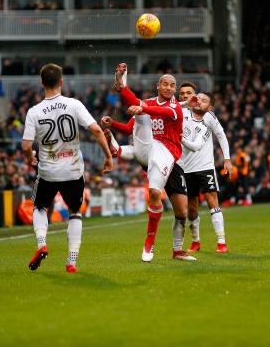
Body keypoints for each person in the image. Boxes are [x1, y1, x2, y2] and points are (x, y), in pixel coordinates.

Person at [22, 63, 113, 274]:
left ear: (42, 83)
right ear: (61, 82)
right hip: (73, 170)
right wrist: (108, 156)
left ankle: (42, 243)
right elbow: (97, 130)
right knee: (74, 213)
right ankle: (71, 262)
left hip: (48, 171)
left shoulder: (34, 111)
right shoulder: (74, 105)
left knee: (40, 207)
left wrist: (30, 156)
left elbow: (26, 145)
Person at [107, 63, 185, 262]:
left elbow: (162, 113)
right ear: (158, 86)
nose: (168, 88)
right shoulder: (147, 103)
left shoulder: (175, 107)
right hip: (146, 147)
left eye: (172, 85)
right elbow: (130, 125)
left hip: (166, 151)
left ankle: (149, 241)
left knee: (154, 193)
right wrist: (115, 122)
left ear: (174, 89)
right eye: (165, 84)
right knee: (141, 115)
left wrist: (141, 107)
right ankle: (121, 82)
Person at [179, 91, 233, 254]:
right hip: (185, 167)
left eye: (204, 100)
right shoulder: (183, 112)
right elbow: (169, 107)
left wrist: (227, 159)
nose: (199, 102)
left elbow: (221, 136)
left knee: (212, 201)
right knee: (192, 207)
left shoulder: (209, 118)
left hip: (205, 166)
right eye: (198, 98)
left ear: (209, 106)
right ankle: (196, 241)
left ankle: (221, 242)